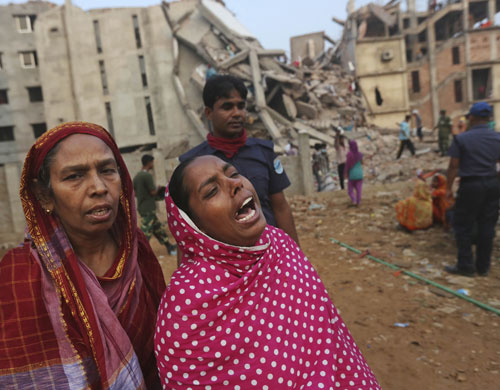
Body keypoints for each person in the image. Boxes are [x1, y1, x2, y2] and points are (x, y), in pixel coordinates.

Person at [154, 155, 381, 389]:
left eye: (233, 174)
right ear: (192, 225)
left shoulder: (279, 245)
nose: (235, 184)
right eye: (212, 191)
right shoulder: (185, 307)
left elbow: (331, 340)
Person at [0, 122, 166, 389]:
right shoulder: (18, 275)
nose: (99, 187)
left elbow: (163, 350)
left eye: (107, 170)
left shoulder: (138, 251)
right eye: (74, 176)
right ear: (44, 195)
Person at [179, 74, 299, 244]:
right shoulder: (192, 165)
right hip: (221, 262)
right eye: (227, 107)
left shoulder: (264, 152)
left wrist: (296, 259)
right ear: (208, 113)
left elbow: (280, 208)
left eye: (241, 106)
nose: (236, 113)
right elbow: (188, 226)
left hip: (269, 254)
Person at [444, 102, 500, 277]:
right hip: (492, 184)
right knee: (487, 226)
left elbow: (453, 166)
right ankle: (483, 267)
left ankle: (466, 265)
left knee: (463, 225)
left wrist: (448, 188)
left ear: (472, 118)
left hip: (470, 185)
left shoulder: (462, 139)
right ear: (488, 118)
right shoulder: (497, 138)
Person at [133, 154, 177, 255]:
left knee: (158, 229)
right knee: (145, 233)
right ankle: (139, 253)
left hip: (143, 207)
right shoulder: (147, 176)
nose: (153, 164)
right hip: (148, 208)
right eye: (152, 162)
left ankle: (169, 246)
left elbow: (135, 193)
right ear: (149, 162)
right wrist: (159, 188)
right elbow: (153, 192)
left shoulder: (136, 177)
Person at [345, 139, 363, 206]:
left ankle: (354, 200)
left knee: (350, 190)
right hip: (360, 174)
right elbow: (362, 163)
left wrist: (345, 173)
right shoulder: (360, 154)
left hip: (352, 175)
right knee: (359, 189)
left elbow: (347, 165)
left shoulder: (349, 155)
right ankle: (358, 202)